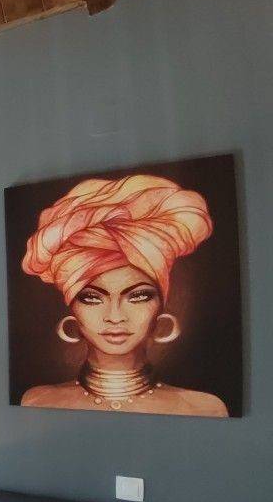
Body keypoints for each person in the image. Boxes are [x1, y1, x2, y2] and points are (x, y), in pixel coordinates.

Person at [19, 174, 228, 417]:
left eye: (138, 296)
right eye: (92, 298)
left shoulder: (206, 408)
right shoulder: (36, 400)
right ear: (72, 310)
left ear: (161, 306)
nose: (115, 316)